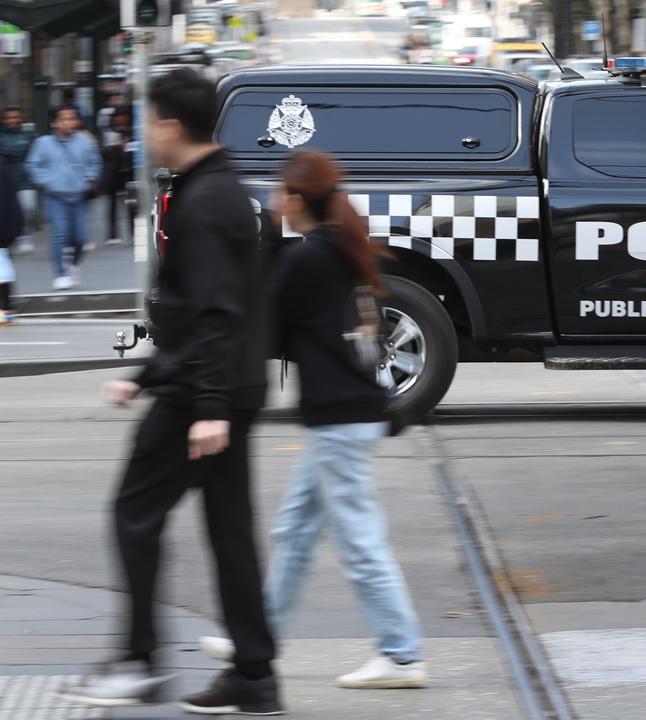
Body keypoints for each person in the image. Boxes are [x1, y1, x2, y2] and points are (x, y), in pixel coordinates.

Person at [62, 69, 281, 714]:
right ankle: (254, 674)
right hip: (223, 385)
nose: (142, 134)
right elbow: (213, 309)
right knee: (229, 533)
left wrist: (204, 404)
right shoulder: (221, 188)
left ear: (170, 125)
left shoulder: (205, 201)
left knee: (134, 513)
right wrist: (147, 373)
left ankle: (138, 660)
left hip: (202, 396)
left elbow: (214, 312)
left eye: (147, 121)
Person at [198, 150, 427, 689]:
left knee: (359, 540)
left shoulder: (311, 257)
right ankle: (254, 639)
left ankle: (401, 653)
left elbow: (268, 320)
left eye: (281, 192)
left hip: (339, 419)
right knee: (296, 531)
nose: (275, 200)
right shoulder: (340, 246)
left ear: (298, 201)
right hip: (348, 412)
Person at [24, 106, 100, 290]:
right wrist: (46, 182)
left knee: (80, 238)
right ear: (55, 122)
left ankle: (72, 264)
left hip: (78, 195)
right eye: (63, 119)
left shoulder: (85, 141)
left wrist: (90, 177)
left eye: (71, 118)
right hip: (55, 197)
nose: (68, 122)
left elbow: (95, 162)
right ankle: (60, 274)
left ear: (76, 121)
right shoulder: (43, 143)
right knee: (60, 235)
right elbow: (32, 165)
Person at [0, 107, 36, 254]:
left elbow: (34, 153)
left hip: (25, 178)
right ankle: (20, 235)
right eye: (9, 118)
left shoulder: (28, 135)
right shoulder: (1, 136)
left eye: (15, 117)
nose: (12, 120)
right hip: (6, 180)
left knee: (28, 207)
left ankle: (22, 231)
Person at [101, 111, 135, 246]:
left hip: (128, 172)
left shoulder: (132, 132)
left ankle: (133, 233)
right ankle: (112, 234)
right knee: (112, 205)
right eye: (118, 117)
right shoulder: (108, 133)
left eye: (123, 117)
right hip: (113, 173)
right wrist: (117, 147)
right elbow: (104, 152)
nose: (121, 119)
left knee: (132, 204)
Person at [0, 156, 20, 325]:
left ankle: (4, 311)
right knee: (3, 263)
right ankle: (6, 310)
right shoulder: (4, 163)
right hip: (7, 224)